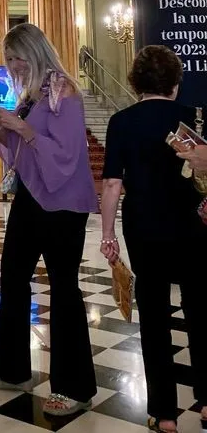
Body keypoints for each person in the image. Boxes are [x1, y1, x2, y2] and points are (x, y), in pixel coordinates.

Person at [0, 22, 98, 417]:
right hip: (30, 196)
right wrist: (0, 121)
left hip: (62, 204)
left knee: (63, 289)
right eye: (8, 59)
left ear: (37, 52)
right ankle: (12, 368)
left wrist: (22, 127)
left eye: (17, 57)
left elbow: (66, 155)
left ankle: (73, 386)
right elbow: (20, 151)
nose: (13, 65)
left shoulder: (64, 92)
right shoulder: (29, 94)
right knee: (12, 276)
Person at [100, 45, 207, 433]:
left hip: (144, 226)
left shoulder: (121, 121)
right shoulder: (193, 116)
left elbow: (112, 183)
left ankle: (164, 414)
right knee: (201, 311)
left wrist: (107, 233)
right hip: (193, 227)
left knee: (155, 318)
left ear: (135, 83)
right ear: (176, 84)